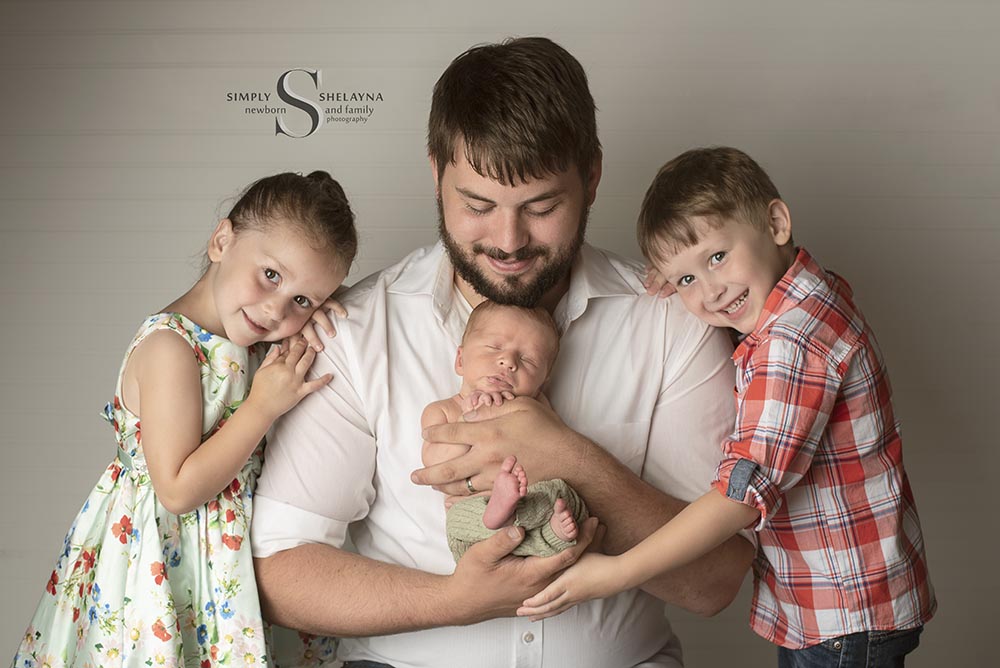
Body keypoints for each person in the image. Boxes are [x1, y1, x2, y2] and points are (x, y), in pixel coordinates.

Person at [251, 38, 753, 668]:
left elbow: (714, 583)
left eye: (542, 207)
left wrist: (571, 461)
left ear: (592, 178)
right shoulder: (353, 330)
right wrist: (454, 601)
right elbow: (279, 570)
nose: (509, 240)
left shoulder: (674, 321)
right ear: (436, 174)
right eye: (478, 206)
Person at [518, 147, 936, 667]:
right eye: (687, 280)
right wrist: (693, 272)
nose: (711, 292)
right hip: (846, 601)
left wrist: (618, 572)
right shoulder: (809, 297)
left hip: (842, 615)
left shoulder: (793, 343)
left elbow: (741, 497)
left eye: (717, 257)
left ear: (777, 223)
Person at [11, 171, 357, 668]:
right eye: (271, 275)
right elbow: (176, 489)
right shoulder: (171, 349)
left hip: (225, 569)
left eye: (302, 300)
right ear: (222, 241)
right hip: (161, 568)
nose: (275, 309)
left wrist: (321, 317)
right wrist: (262, 406)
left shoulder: (259, 342)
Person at [422, 301, 587, 561]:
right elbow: (435, 464)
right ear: (461, 360)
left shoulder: (537, 408)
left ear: (542, 382)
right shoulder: (444, 411)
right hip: (476, 515)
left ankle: (551, 534)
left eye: (528, 360)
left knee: (563, 495)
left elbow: (554, 453)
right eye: (494, 348)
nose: (508, 361)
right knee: (460, 518)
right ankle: (500, 512)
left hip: (529, 506)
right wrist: (468, 420)